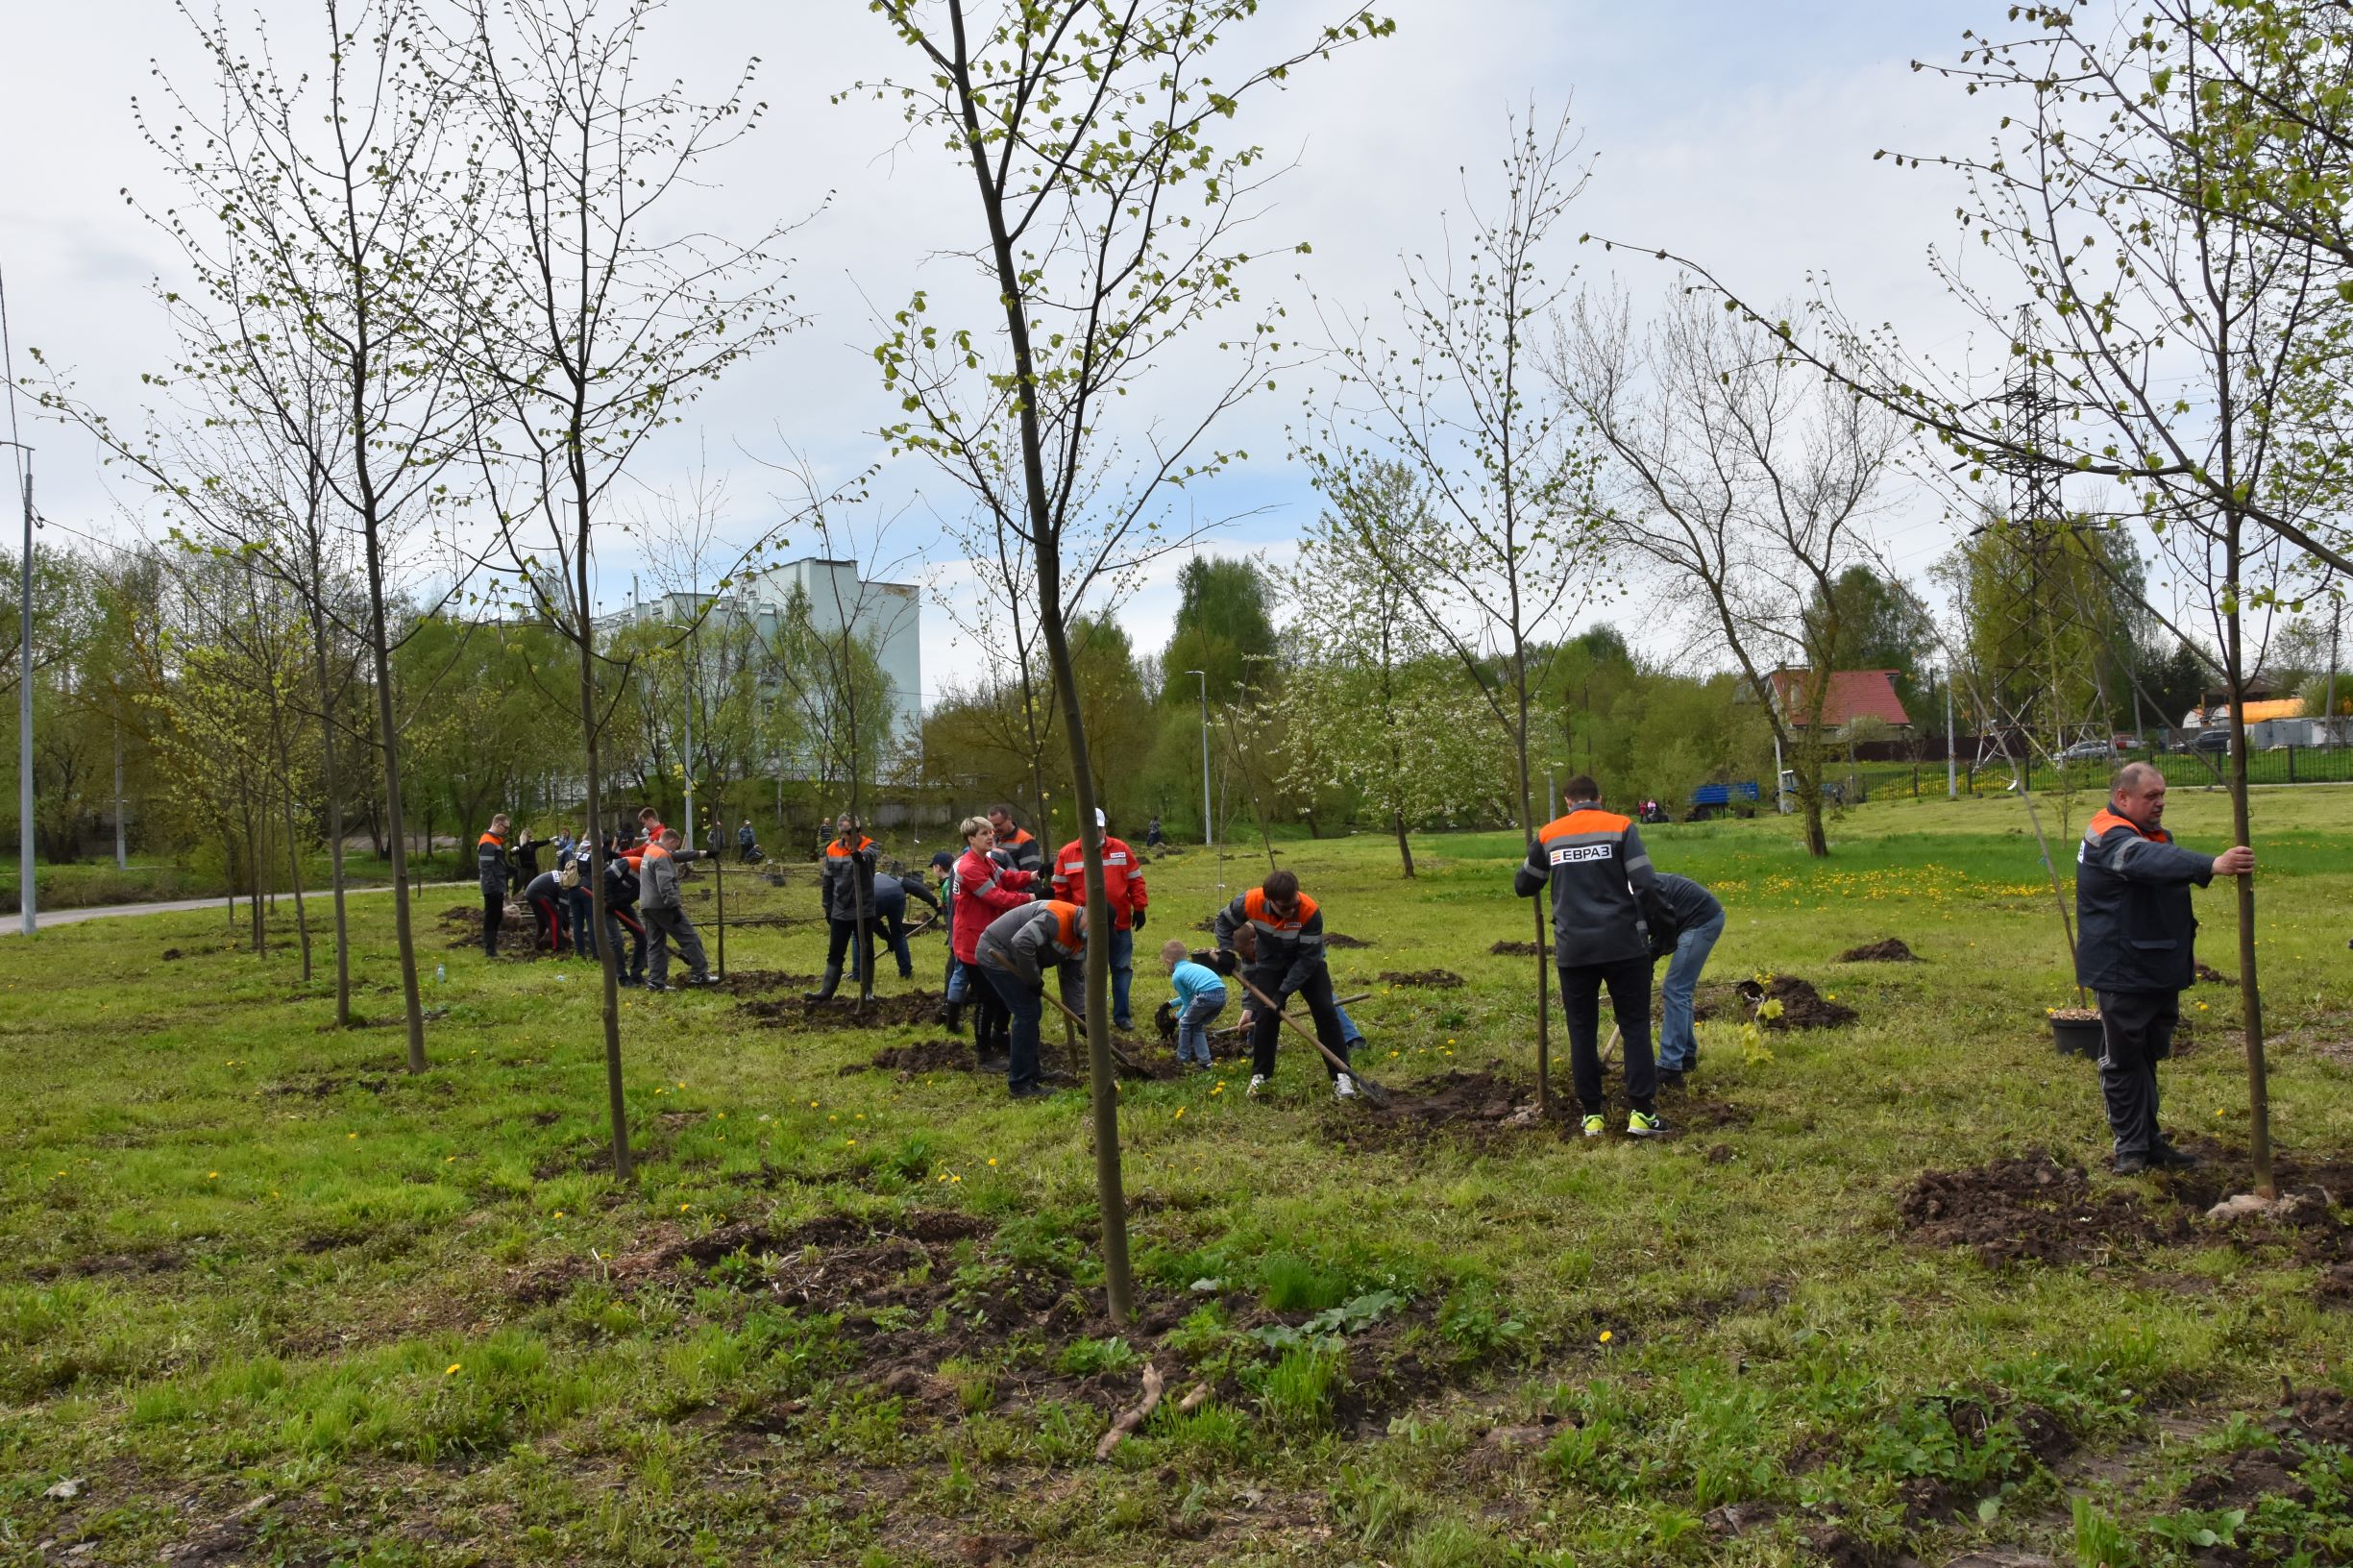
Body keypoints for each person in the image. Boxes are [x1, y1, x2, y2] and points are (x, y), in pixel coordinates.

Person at [2076, 761, 2254, 1173]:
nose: (2159, 803)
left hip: (2156, 963)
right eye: (2150, 796)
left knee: (2148, 1057)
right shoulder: (2110, 835)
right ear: (2122, 797)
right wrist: (2211, 864)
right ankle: (2130, 1150)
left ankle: (2150, 1142)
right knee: (2123, 1060)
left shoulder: (2154, 836)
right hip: (2122, 969)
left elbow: (2163, 898)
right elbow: (2141, 862)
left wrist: (2182, 950)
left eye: (2162, 796)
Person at [1514, 775, 1667, 1139]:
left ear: (1567, 800)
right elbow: (1644, 882)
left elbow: (1524, 885)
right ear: (1599, 797)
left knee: (1581, 1031)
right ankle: (1642, 1114)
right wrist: (1662, 926)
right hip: (1624, 945)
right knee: (1634, 1027)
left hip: (1574, 949)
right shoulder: (1622, 827)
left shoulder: (1550, 834)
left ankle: (1592, 1116)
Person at [1213, 869, 1356, 1100]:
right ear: (1269, 901)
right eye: (1285, 908)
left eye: (1293, 904)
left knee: (1325, 1009)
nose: (1291, 911)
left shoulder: (1309, 911)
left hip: (1306, 961)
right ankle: (1261, 1076)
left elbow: (1308, 960)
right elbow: (1223, 921)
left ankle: (1341, 1076)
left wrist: (1283, 991)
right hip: (1270, 961)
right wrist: (1226, 950)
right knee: (1267, 1014)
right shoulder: (1250, 901)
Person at [975, 898, 1088, 1099]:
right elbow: (1021, 942)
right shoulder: (1056, 917)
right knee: (1027, 1013)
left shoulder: (1083, 939)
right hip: (996, 952)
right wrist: (1033, 980)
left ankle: (1032, 1072)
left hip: (1017, 958)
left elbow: (1072, 977)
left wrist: (1081, 1013)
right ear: (1086, 913)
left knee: (1032, 1011)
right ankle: (1019, 1084)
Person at [1050, 809, 1150, 1030]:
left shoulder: (1121, 849)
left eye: (1100, 828)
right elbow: (1060, 891)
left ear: (1105, 828)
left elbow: (1136, 880)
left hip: (1120, 923)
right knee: (1087, 972)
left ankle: (1122, 1016)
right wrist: (1066, 921)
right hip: (1084, 927)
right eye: (1092, 828)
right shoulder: (1068, 853)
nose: (1096, 832)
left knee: (1121, 968)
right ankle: (1091, 1016)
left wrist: (1140, 907)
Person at [952, 817, 1036, 1058]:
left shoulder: (987, 861)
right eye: (983, 833)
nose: (991, 836)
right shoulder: (968, 868)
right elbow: (996, 897)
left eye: (991, 832)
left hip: (992, 937)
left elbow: (1006, 879)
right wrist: (1032, 899)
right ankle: (983, 1051)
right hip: (973, 942)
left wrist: (1033, 876)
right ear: (970, 839)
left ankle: (999, 1036)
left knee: (1003, 993)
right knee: (987, 997)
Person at [1652, 871, 1726, 1086]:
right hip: (1685, 919)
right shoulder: (1625, 893)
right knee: (1677, 989)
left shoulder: (1635, 893)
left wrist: (1650, 955)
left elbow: (1664, 934)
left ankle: (1669, 1066)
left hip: (1702, 920)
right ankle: (1686, 1055)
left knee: (1676, 989)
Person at [807, 814, 880, 1001]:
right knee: (835, 951)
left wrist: (860, 857)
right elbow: (827, 882)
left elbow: (869, 858)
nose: (853, 835)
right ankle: (826, 992)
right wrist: (828, 908)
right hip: (840, 909)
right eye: (848, 832)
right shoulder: (832, 849)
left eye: (856, 831)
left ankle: (867, 992)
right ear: (841, 832)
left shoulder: (869, 845)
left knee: (866, 950)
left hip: (863, 909)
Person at [640, 828, 716, 991]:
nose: (674, 850)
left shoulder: (651, 850)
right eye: (675, 846)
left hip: (647, 905)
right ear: (672, 841)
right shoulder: (662, 856)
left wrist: (705, 853)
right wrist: (674, 907)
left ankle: (655, 982)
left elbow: (677, 856)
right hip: (663, 906)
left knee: (655, 945)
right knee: (690, 938)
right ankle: (700, 974)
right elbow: (665, 884)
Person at [852, 870, 942, 983]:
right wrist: (935, 904)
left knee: (858, 935)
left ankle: (858, 974)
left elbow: (874, 924)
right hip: (897, 896)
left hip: (875, 898)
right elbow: (916, 888)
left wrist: (888, 939)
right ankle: (906, 972)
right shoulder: (891, 877)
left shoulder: (863, 884)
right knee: (898, 934)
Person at [1164, 938, 1226, 1069]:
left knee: (1184, 1023)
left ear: (1169, 962)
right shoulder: (1193, 967)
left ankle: (1182, 1059)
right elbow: (1190, 997)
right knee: (1197, 1026)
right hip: (1221, 995)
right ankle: (1205, 1062)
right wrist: (1170, 1004)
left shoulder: (1177, 976)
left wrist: (1176, 1016)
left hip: (1206, 996)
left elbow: (1187, 1003)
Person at [601, 832, 649, 986]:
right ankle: (622, 977)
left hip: (623, 905)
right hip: (604, 903)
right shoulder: (629, 863)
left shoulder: (652, 876)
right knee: (617, 941)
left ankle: (636, 973)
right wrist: (609, 899)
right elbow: (605, 878)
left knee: (642, 936)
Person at [477, 814, 515, 957]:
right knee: (491, 916)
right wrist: (491, 886)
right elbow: (486, 867)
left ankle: (492, 947)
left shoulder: (496, 840)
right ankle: (490, 950)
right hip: (492, 886)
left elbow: (499, 863)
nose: (506, 831)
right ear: (498, 824)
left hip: (498, 884)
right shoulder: (488, 842)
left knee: (497, 916)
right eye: (505, 828)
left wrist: (511, 869)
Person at [561, 833, 597, 961]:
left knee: (577, 922)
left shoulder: (574, 854)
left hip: (573, 890)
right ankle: (596, 953)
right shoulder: (593, 855)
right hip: (587, 891)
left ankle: (580, 953)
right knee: (592, 922)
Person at [986, 804, 1045, 877]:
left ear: (1009, 819)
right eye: (992, 826)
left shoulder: (1025, 840)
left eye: (998, 825)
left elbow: (1032, 873)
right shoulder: (993, 839)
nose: (995, 829)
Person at [523, 864, 571, 956]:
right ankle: (558, 948)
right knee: (555, 918)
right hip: (538, 893)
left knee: (542, 921)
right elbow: (564, 908)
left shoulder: (563, 876)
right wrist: (566, 929)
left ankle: (537, 946)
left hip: (532, 892)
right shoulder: (566, 882)